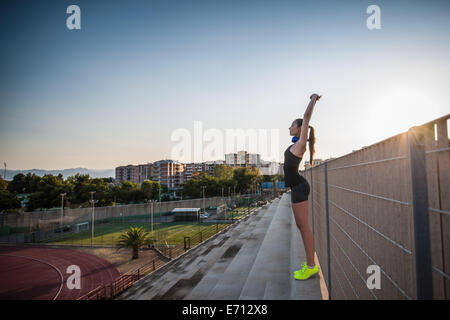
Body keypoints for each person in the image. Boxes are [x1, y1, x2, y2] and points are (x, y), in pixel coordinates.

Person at [283, 93, 321, 280]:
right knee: (301, 226)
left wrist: (313, 99)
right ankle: (309, 263)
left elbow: (306, 117)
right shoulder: (295, 145)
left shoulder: (300, 145)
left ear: (299, 128)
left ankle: (312, 266)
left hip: (299, 187)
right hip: (296, 187)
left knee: (304, 227)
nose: (289, 127)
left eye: (292, 125)